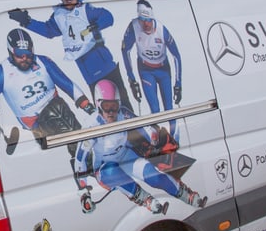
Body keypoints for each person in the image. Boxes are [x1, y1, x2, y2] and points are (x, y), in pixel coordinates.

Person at [75, 79, 205, 215]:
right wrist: (84, 193)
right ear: (98, 104)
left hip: (125, 156)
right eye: (106, 106)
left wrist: (153, 135)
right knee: (111, 172)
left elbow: (143, 125)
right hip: (104, 167)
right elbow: (80, 160)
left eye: (114, 106)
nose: (111, 111)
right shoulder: (91, 127)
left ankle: (184, 193)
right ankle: (144, 199)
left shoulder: (123, 114)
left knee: (153, 175)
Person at [7, 0, 130, 106]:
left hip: (104, 65)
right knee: (103, 107)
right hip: (88, 73)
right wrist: (27, 21)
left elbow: (108, 17)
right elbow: (49, 30)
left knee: (121, 103)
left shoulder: (85, 9)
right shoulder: (59, 16)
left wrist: (96, 25)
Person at [0, 29, 94, 141]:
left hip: (59, 110)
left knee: (57, 110)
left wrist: (85, 104)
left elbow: (65, 83)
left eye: (28, 54)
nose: (24, 58)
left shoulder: (43, 61)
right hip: (34, 122)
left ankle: (80, 147)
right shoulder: (1, 72)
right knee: (55, 114)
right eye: (20, 54)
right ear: (10, 52)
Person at [121, 0, 183, 114]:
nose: (145, 24)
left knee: (169, 109)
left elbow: (176, 56)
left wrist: (178, 84)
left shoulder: (161, 29)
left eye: (148, 20)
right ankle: (157, 131)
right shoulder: (134, 26)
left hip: (163, 69)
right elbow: (125, 51)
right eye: (142, 20)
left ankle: (174, 131)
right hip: (146, 70)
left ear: (152, 19)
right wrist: (132, 79)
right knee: (155, 110)